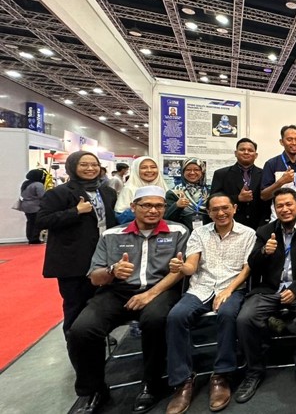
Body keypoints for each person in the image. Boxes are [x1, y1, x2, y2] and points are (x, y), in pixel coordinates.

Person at [67, 186, 188, 414]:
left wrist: (150, 294)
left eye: (159, 206)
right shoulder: (112, 235)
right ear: (133, 207)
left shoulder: (178, 231)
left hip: (160, 290)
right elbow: (95, 277)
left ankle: (152, 383)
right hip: (117, 291)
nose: (153, 210)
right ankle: (93, 390)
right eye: (146, 205)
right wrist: (112, 271)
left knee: (155, 321)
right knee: (82, 330)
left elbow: (180, 271)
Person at [165, 193, 255, 414]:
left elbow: (247, 269)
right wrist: (181, 267)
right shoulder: (199, 233)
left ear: (234, 208)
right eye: (215, 209)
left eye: (225, 208)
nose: (221, 213)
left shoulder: (248, 233)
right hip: (201, 287)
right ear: (208, 211)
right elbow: (191, 266)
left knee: (227, 314)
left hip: (232, 287)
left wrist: (228, 290)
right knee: (176, 316)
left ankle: (221, 375)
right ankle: (183, 380)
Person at [235, 188, 296, 401]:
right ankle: (254, 371)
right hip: (269, 290)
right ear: (275, 209)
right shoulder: (264, 231)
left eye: (289, 204)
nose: (285, 209)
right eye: (279, 206)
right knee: (245, 318)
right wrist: (264, 252)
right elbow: (252, 265)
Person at [37, 151, 118, 338]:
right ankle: (74, 342)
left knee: (100, 301)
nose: (90, 168)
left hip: (102, 256)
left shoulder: (107, 192)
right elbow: (42, 220)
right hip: (73, 259)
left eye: (94, 164)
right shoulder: (59, 193)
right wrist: (75, 211)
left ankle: (98, 336)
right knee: (75, 303)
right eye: (84, 164)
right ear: (73, 167)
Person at [211, 138, 268, 230]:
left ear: (256, 155)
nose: (246, 152)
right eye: (242, 149)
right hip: (230, 224)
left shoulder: (264, 174)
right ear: (235, 153)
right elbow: (213, 200)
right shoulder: (221, 174)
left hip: (259, 226)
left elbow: (268, 201)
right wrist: (237, 198)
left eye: (250, 150)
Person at [260, 125, 296, 220]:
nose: (294, 143)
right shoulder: (272, 164)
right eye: (289, 139)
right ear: (281, 142)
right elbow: (264, 196)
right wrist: (281, 182)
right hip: (279, 219)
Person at [115, 156, 168, 224]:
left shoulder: (163, 187)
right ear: (136, 170)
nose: (149, 170)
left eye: (153, 167)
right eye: (144, 168)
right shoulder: (129, 189)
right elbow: (121, 218)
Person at [165, 157, 210, 231]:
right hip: (182, 234)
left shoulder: (210, 191)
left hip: (208, 233)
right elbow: (167, 219)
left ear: (202, 172)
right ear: (183, 172)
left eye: (196, 169)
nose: (192, 172)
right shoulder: (173, 193)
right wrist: (177, 206)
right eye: (188, 170)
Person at [20, 168, 47, 244]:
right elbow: (42, 196)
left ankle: (30, 237)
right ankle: (35, 238)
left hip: (25, 205)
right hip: (35, 206)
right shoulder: (38, 184)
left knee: (30, 222)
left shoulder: (25, 183)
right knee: (37, 222)